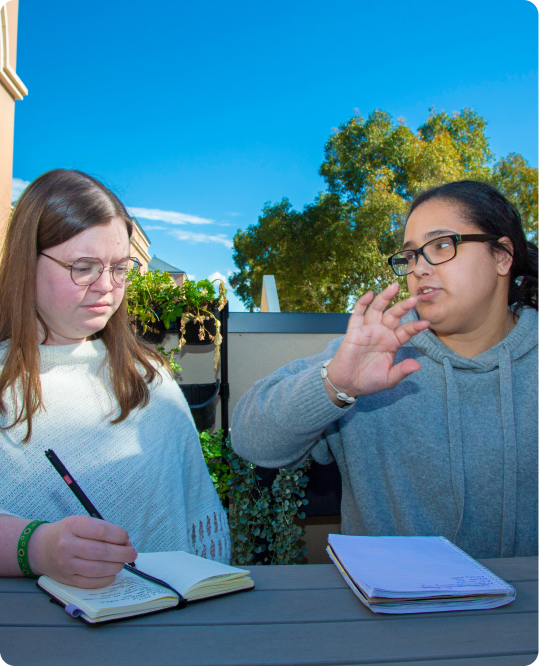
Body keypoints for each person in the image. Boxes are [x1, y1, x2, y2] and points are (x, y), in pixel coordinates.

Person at [231, 180, 538, 559]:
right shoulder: (375, 354)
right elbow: (250, 438)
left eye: (441, 245)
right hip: (388, 615)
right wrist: (335, 386)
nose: (420, 268)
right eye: (411, 256)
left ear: (502, 256)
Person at [0, 169, 230, 589]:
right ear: (26, 260)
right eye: (83, 267)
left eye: (120, 268)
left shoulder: (149, 377)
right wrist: (37, 547)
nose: (107, 287)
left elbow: (190, 510)